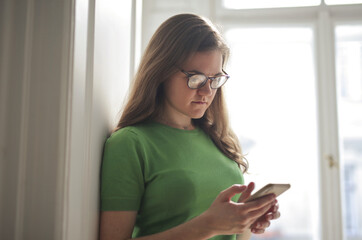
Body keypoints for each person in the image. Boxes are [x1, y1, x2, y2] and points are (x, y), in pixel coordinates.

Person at [99, 13, 280, 240]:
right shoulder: (130, 144)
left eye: (215, 79)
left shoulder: (219, 139)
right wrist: (208, 225)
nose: (207, 92)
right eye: (195, 78)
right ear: (161, 72)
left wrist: (245, 218)